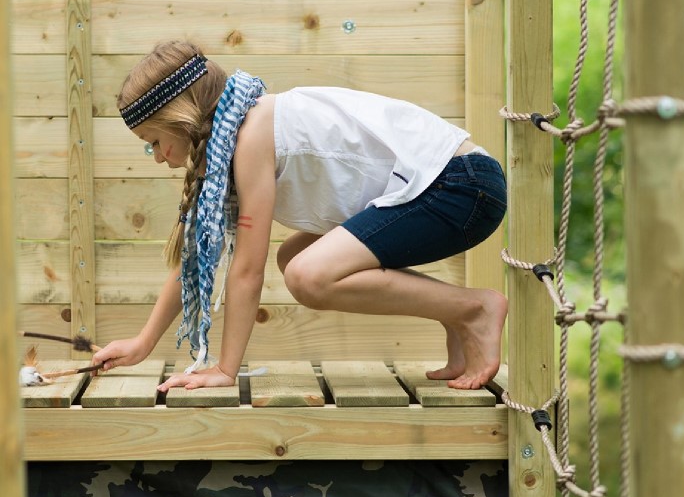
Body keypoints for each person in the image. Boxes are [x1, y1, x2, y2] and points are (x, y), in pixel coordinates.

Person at [92, 40, 508, 391]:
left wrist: (224, 369)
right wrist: (143, 342)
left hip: (461, 187)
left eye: (154, 142)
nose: (158, 157)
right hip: (448, 187)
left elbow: (246, 269)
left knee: (308, 274)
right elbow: (194, 261)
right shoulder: (235, 133)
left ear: (180, 119)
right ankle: (454, 311)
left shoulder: (251, 133)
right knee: (294, 259)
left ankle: (474, 309)